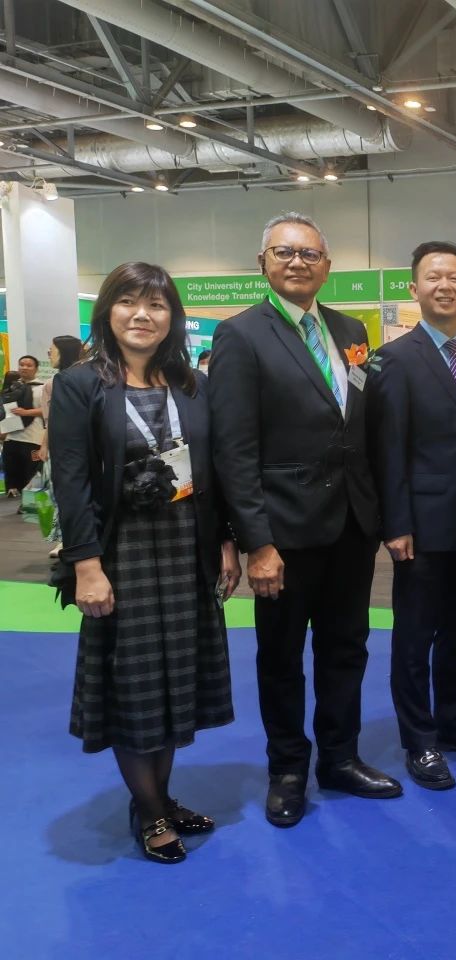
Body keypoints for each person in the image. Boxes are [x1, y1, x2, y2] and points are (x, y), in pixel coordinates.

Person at [209, 212, 400, 827]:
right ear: (263, 262)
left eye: (310, 254)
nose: (298, 262)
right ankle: (288, 769)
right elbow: (234, 450)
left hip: (352, 527)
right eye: (285, 252)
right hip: (284, 534)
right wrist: (256, 543)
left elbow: (361, 426)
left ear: (327, 265)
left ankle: (340, 758)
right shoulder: (240, 335)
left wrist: (380, 514)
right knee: (282, 657)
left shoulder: (350, 329)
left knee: (347, 649)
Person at [50, 262, 239, 864]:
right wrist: (86, 564)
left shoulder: (192, 384)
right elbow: (71, 482)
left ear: (172, 318)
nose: (142, 315)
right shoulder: (81, 383)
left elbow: (213, 473)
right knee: (134, 687)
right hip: (121, 556)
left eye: (156, 305)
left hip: (186, 552)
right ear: (107, 310)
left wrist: (226, 540)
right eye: (129, 302)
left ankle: (155, 797)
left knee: (173, 684)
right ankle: (152, 810)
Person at [368, 241, 456, 791]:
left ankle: (453, 722)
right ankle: (418, 740)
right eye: (433, 277)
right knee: (414, 638)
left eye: (454, 277)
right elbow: (388, 449)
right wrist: (396, 524)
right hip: (422, 529)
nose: (444, 286)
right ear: (414, 289)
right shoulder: (394, 360)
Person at [38, 335, 85, 557]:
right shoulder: (52, 383)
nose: (49, 355)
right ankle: (64, 539)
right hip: (60, 447)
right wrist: (44, 446)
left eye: (52, 350)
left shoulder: (84, 377)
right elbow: (50, 421)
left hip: (80, 447)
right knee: (60, 494)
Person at [2, 354, 44, 505]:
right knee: (12, 475)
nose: (24, 367)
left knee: (32, 475)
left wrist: (26, 412)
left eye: (29, 365)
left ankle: (30, 506)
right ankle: (15, 505)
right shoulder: (12, 387)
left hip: (33, 438)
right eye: (21, 364)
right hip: (11, 438)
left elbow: (49, 410)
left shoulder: (42, 388)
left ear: (36, 369)